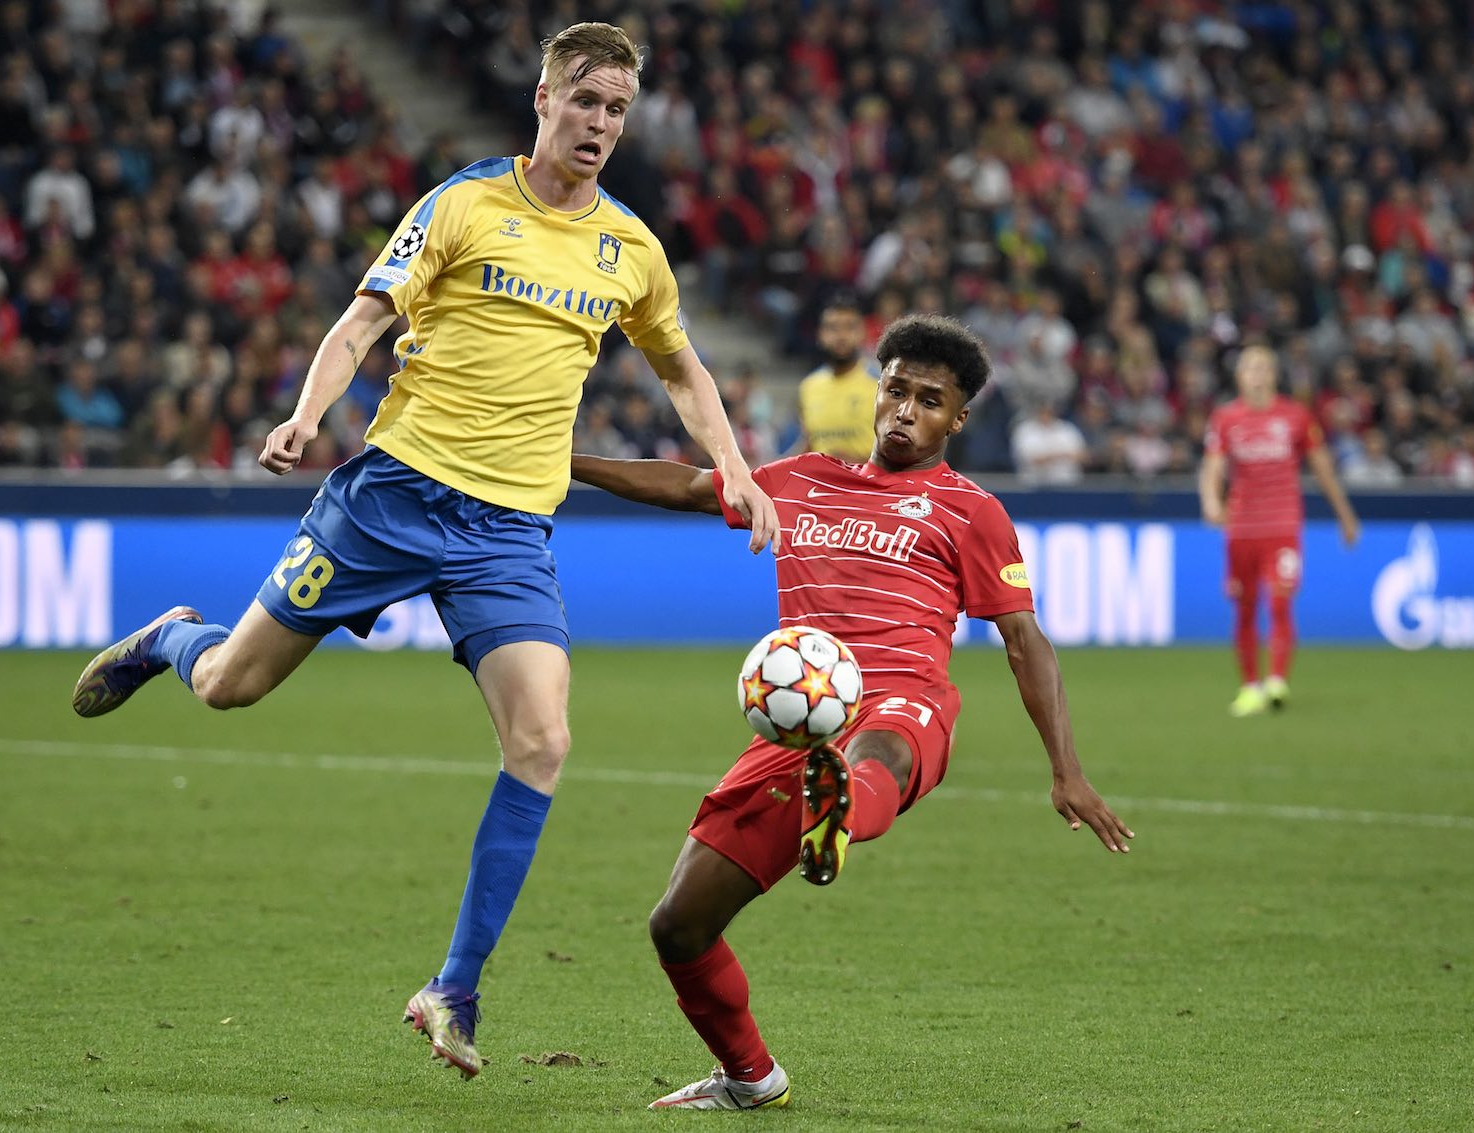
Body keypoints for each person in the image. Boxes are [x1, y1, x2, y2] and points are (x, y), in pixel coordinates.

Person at [68, 22, 779, 1081]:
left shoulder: (631, 249)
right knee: (228, 685)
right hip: (392, 497)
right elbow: (360, 323)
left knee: (542, 740)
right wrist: (307, 414)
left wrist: (734, 465)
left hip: (508, 531)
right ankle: (173, 636)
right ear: (543, 100)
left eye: (617, 109)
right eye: (585, 101)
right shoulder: (463, 203)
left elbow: (681, 369)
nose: (599, 124)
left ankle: (454, 986)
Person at [571, 313, 1133, 1111]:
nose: (906, 411)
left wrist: (1066, 769)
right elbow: (689, 485)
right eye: (896, 390)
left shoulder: (970, 510)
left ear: (957, 419)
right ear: (877, 391)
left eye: (930, 401)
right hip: (799, 727)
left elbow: (1023, 639)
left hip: (905, 702)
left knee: (876, 753)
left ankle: (839, 814)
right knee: (678, 925)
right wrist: (561, 462)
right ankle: (751, 1077)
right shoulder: (801, 478)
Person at [1199, 344, 1359, 717]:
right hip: (1242, 528)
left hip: (1282, 525)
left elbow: (1322, 468)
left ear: (1273, 375)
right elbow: (1213, 467)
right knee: (1245, 607)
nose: (1257, 374)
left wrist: (1345, 514)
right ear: (1239, 377)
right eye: (1250, 368)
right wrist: (1210, 501)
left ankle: (1276, 681)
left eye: (1263, 368)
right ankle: (1250, 687)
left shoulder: (1296, 417)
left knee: (1280, 601)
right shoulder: (1225, 418)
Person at [795, 295, 880, 460]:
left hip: (868, 477)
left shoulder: (881, 383)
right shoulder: (809, 386)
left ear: (862, 332)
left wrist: (848, 464)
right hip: (821, 477)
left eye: (850, 327)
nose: (841, 335)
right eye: (833, 328)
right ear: (820, 334)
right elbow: (809, 443)